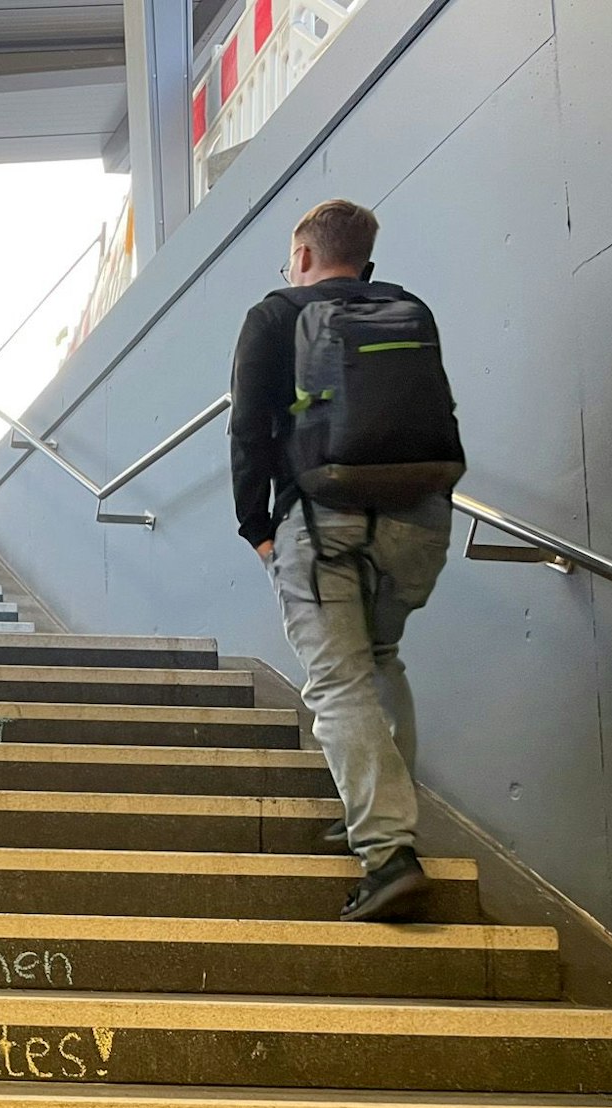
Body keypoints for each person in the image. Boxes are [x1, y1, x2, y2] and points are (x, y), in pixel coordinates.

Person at [230, 198, 461, 922]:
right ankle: (379, 810)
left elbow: (248, 428)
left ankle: (389, 853)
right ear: (365, 260)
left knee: (336, 682)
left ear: (302, 256)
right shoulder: (408, 307)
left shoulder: (275, 314)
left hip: (324, 520)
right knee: (381, 658)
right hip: (421, 518)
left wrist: (257, 527)